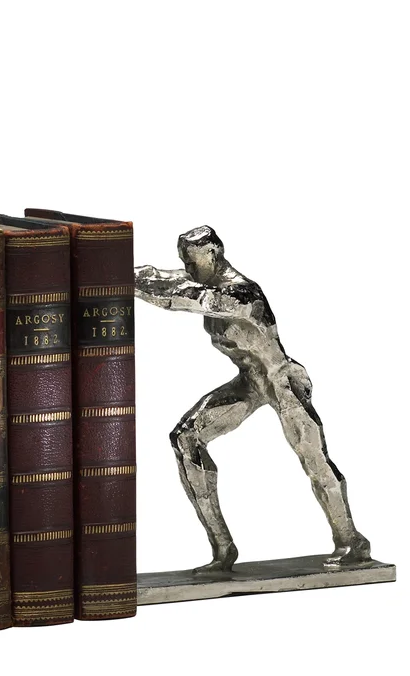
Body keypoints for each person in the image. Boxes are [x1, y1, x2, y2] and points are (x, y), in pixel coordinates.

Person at [135, 226, 370, 573]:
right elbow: (159, 278)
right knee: (185, 438)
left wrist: (127, 286)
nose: (187, 267)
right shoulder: (202, 279)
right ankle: (223, 548)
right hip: (249, 382)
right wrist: (112, 275)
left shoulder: (242, 293)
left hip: (281, 381)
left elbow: (187, 298)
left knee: (314, 460)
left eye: (193, 261)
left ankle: (352, 541)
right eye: (184, 260)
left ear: (214, 255)